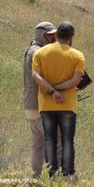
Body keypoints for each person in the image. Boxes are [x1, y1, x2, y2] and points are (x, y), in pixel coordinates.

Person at [32, 21, 85, 178]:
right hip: (68, 105)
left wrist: (51, 90)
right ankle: (67, 173)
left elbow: (35, 76)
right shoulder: (77, 55)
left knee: (49, 140)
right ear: (71, 37)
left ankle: (51, 173)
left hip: (46, 105)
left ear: (56, 35)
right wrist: (59, 88)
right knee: (68, 140)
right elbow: (75, 81)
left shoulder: (40, 53)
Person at [23, 21, 58, 178]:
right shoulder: (39, 53)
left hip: (30, 105)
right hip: (40, 105)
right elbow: (42, 80)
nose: (53, 38)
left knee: (38, 145)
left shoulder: (31, 50)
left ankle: (36, 178)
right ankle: (57, 179)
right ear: (41, 35)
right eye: (50, 35)